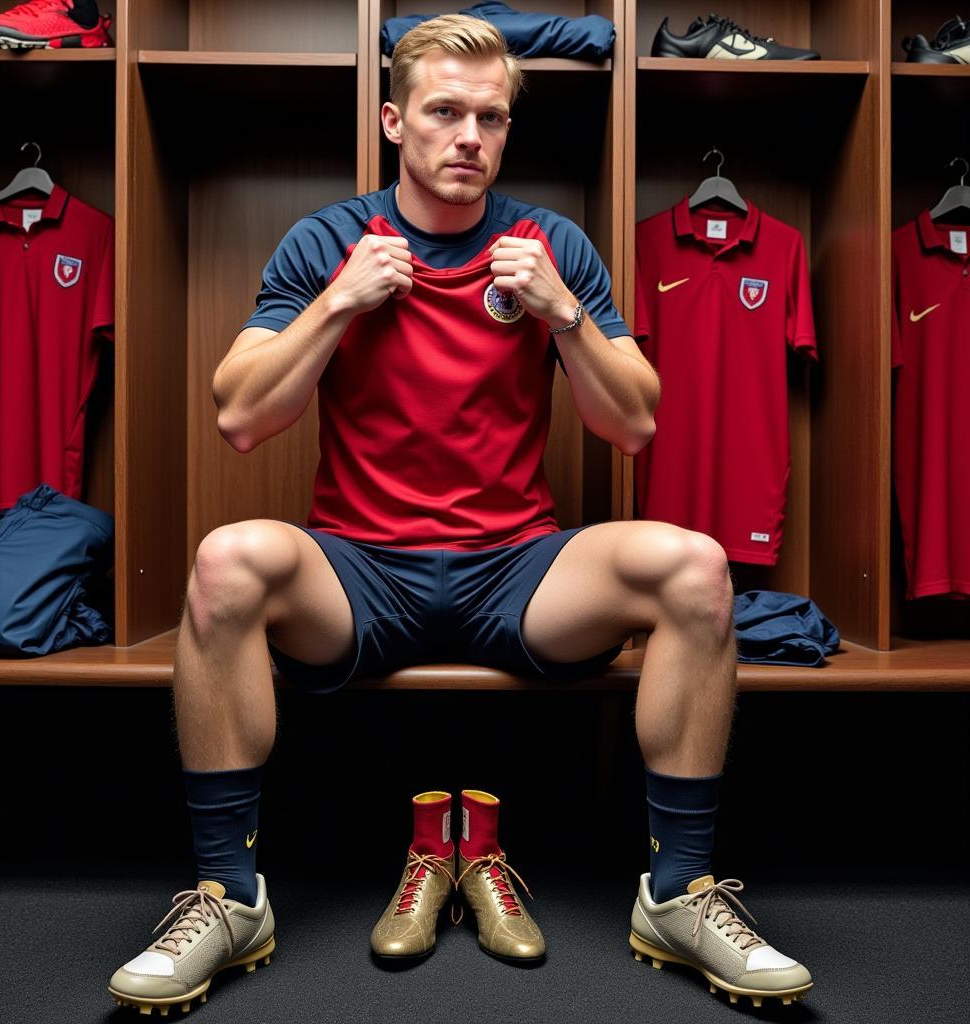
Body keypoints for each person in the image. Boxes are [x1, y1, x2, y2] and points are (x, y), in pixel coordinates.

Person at [107, 13, 811, 1014]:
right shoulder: (329, 240)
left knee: (694, 564)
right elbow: (238, 417)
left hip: (513, 567)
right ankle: (230, 898)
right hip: (359, 570)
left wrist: (562, 310)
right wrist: (339, 302)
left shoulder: (548, 244)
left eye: (489, 116)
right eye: (443, 112)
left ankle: (677, 894)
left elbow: (635, 426)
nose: (467, 135)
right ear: (394, 120)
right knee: (228, 558)